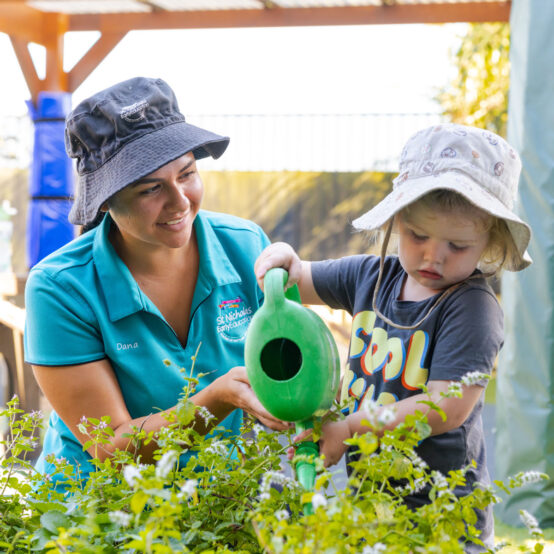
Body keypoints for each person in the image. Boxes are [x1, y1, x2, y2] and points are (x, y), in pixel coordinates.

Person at [254, 124, 532, 552]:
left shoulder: (472, 307)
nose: (433, 256)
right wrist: (284, 256)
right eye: (418, 235)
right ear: (398, 218)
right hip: (372, 506)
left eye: (457, 245)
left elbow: (446, 407)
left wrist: (348, 428)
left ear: (489, 241)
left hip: (443, 520)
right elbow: (300, 280)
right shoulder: (372, 274)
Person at [24, 77, 289, 486]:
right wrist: (216, 399)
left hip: (219, 500)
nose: (180, 202)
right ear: (106, 201)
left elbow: (293, 361)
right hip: (96, 512)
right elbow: (111, 447)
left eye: (187, 174)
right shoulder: (59, 289)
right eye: (151, 188)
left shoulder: (245, 245)